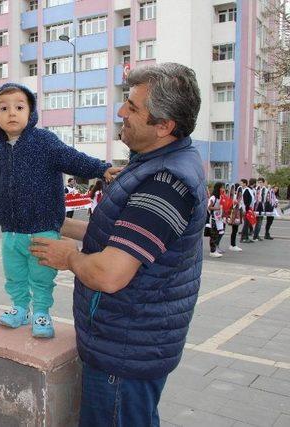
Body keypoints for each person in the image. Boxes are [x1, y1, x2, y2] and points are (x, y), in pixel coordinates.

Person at [29, 63, 206, 426]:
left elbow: (110, 274)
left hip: (125, 353)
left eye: (132, 107)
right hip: (126, 343)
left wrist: (69, 258)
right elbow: (114, 236)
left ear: (164, 126)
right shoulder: (155, 165)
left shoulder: (165, 184)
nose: (121, 112)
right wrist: (57, 224)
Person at [0, 82, 119, 339]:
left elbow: (73, 158)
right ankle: (20, 308)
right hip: (11, 233)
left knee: (42, 275)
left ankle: (41, 313)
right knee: (14, 275)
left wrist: (101, 168)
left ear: (31, 113)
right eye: (4, 108)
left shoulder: (44, 142)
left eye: (19, 107)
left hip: (43, 228)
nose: (12, 113)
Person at [207, 182, 225, 258]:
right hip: (213, 218)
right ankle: (212, 251)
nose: (223, 189)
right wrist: (218, 208)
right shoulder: (213, 197)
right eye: (221, 187)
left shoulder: (220, 197)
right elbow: (209, 207)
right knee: (213, 235)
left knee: (218, 233)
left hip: (219, 218)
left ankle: (215, 249)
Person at [226, 183, 243, 252]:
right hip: (233, 216)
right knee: (234, 230)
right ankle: (233, 245)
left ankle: (233, 245)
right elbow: (234, 208)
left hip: (236, 216)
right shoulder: (234, 198)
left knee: (235, 231)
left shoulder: (236, 198)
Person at [241, 178, 256, 243]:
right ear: (254, 183)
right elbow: (244, 201)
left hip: (249, 208)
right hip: (247, 209)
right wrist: (245, 210)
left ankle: (246, 237)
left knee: (247, 224)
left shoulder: (250, 190)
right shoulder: (247, 190)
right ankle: (243, 238)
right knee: (246, 224)